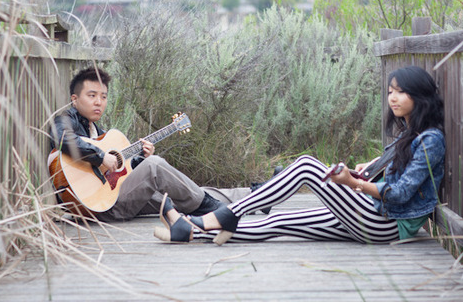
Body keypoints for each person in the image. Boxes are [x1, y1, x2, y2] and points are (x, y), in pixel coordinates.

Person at [153, 65, 445, 245]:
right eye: (391, 91)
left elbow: (399, 194)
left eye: (400, 92)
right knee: (280, 221)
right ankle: (189, 231)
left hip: (385, 224)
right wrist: (363, 172)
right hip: (374, 214)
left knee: (306, 166)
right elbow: (392, 178)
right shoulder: (410, 133)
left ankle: (224, 215)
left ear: (419, 97)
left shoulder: (430, 140)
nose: (392, 98)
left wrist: (352, 183)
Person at [50, 66, 251, 223]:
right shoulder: (66, 119)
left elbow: (118, 174)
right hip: (99, 209)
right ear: (74, 99)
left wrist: (140, 159)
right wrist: (101, 157)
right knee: (155, 165)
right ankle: (211, 209)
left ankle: (252, 195)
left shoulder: (97, 131)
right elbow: (62, 138)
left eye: (104, 97)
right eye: (92, 95)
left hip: (112, 199)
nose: (99, 102)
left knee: (180, 191)